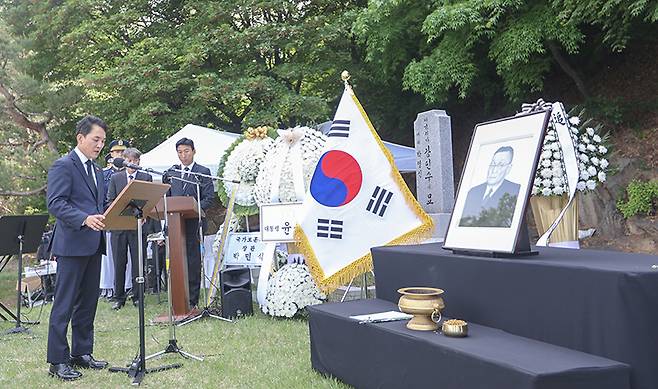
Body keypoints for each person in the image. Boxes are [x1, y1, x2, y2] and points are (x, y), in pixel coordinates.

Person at [46, 115, 109, 381]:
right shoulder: (63, 166)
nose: (99, 145)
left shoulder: (97, 170)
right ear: (80, 138)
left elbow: (98, 204)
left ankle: (82, 352)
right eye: (96, 139)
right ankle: (57, 361)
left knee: (88, 303)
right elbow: (56, 203)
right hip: (71, 245)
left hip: (94, 244)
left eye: (103, 141)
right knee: (64, 303)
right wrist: (84, 219)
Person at [166, 137, 214, 307]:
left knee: (193, 261)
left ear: (194, 151)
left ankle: (193, 299)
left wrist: (196, 208)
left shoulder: (203, 171)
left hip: (195, 222)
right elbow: (168, 198)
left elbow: (210, 197)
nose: (183, 155)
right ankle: (179, 298)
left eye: (186, 151)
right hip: (176, 223)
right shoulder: (171, 173)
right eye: (179, 152)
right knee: (177, 260)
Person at [106, 148, 153, 310]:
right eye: (128, 161)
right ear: (123, 161)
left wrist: (145, 213)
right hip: (119, 227)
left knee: (138, 263)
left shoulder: (146, 177)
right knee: (119, 262)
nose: (131, 164)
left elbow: (151, 200)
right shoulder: (115, 178)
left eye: (134, 161)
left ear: (139, 162)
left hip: (139, 226)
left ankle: (138, 296)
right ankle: (119, 297)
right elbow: (109, 201)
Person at [99, 139, 131, 299]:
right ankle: (110, 287)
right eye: (117, 152)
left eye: (122, 152)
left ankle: (129, 286)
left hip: (130, 219)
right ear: (111, 155)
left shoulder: (131, 172)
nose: (120, 155)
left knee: (130, 258)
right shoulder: (103, 174)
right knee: (111, 257)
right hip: (109, 219)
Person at [459, 146, 520, 228]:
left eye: (500, 165)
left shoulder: (516, 191)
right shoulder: (473, 192)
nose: (494, 170)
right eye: (493, 164)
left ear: (508, 169)